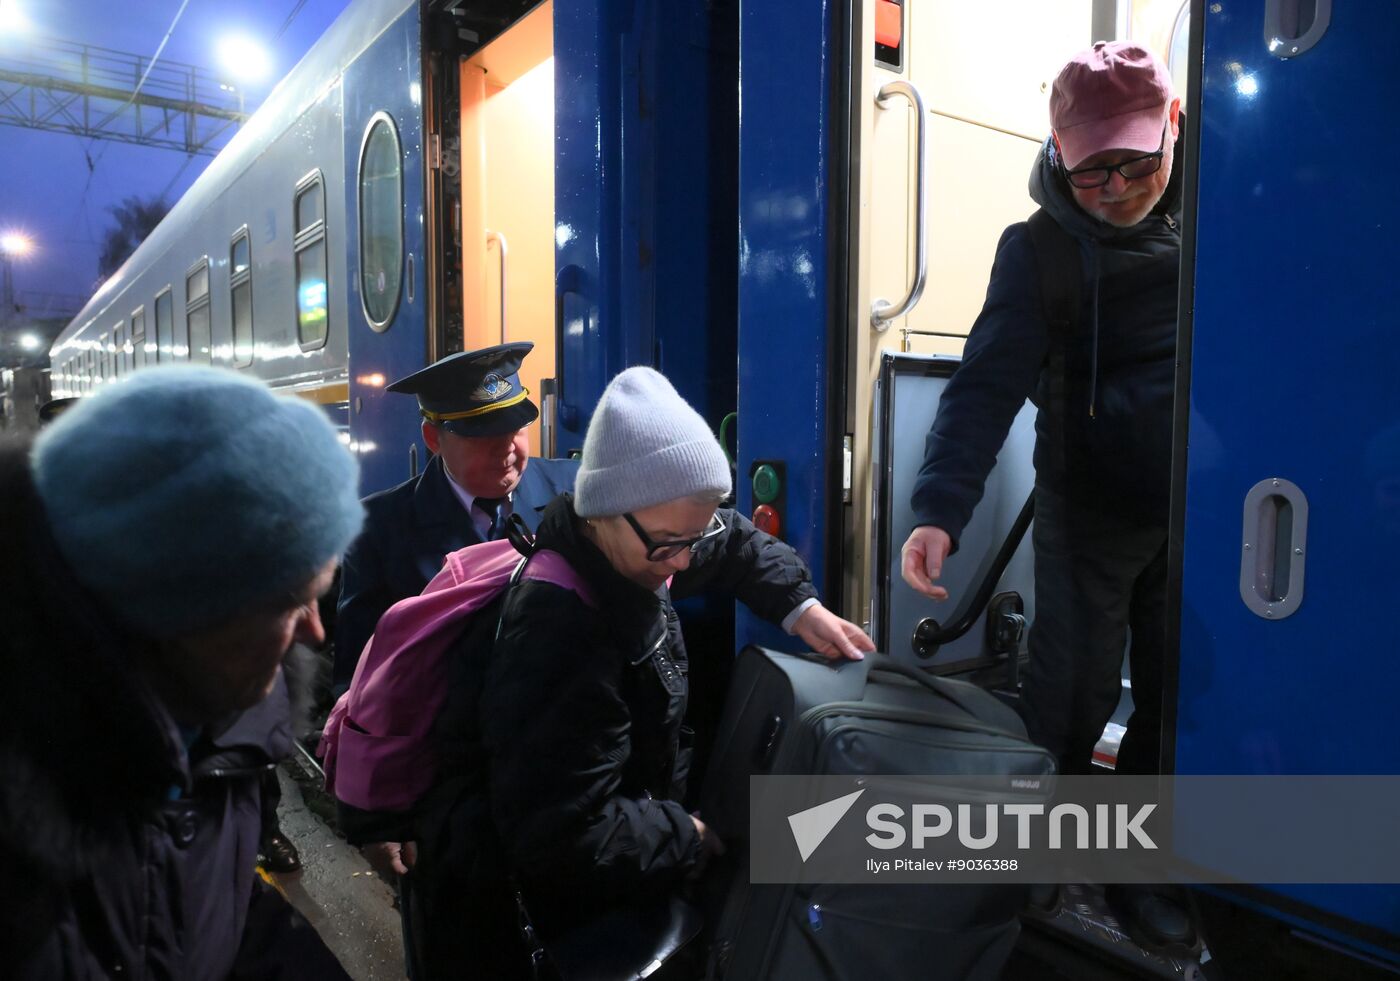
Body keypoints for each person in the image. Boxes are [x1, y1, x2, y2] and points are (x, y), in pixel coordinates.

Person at [376, 366, 874, 979]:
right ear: (605, 511)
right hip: (540, 913)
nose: (683, 562)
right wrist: (687, 834)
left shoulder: (637, 545)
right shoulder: (559, 632)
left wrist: (803, 610)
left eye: (696, 533)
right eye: (669, 544)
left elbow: (734, 543)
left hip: (628, 843)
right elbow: (563, 835)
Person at [899, 41, 1189, 941]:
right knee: (1072, 692)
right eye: (1086, 169)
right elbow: (984, 387)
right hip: (1089, 512)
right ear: (1055, 149)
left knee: (1179, 699)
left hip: (1200, 516)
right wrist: (939, 512)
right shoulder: (1038, 253)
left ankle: (1139, 867)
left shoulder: (1229, 226)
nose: (1109, 190)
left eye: (1132, 165)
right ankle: (1038, 854)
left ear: (1174, 129)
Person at [0, 365, 364, 979]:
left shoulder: (218, 731)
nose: (316, 633)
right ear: (181, 607)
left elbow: (213, 906)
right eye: (291, 602)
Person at [334, 341, 576, 696]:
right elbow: (360, 678)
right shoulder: (378, 529)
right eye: (483, 434)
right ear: (434, 438)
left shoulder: (574, 494)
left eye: (517, 427)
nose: (507, 446)